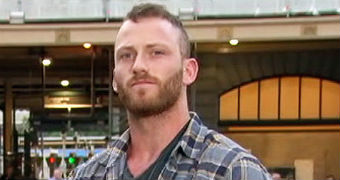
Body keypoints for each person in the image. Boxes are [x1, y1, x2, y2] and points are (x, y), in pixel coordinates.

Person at [69, 3, 271, 180]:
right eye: (126, 55)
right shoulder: (89, 174)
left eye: (156, 53)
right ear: (114, 78)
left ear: (189, 71)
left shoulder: (234, 171)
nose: (139, 66)